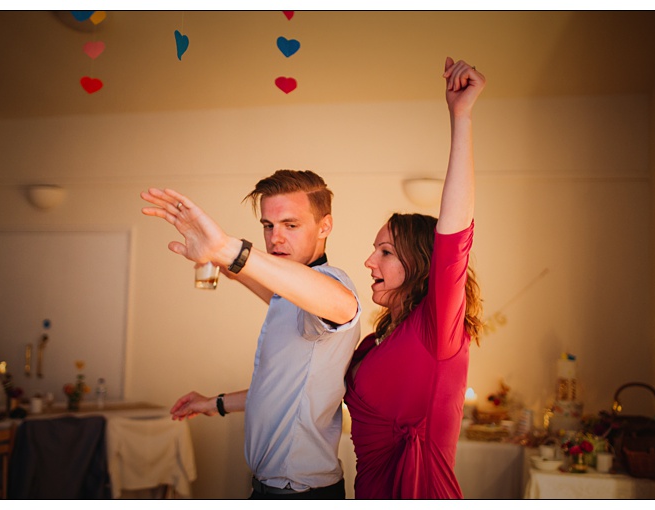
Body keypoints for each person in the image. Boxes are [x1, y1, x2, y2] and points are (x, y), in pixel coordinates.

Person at [144, 167, 363, 499]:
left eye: (291, 225)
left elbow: (343, 306)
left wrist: (228, 249)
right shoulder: (290, 297)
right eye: (268, 225)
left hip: (300, 494)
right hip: (269, 488)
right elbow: (281, 391)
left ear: (325, 226)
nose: (275, 238)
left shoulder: (331, 283)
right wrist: (213, 404)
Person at [338, 57, 486, 498]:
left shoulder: (435, 328)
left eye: (385, 252)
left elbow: (455, 238)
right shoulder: (374, 341)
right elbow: (304, 383)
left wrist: (461, 118)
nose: (369, 262)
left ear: (419, 264)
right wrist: (218, 405)